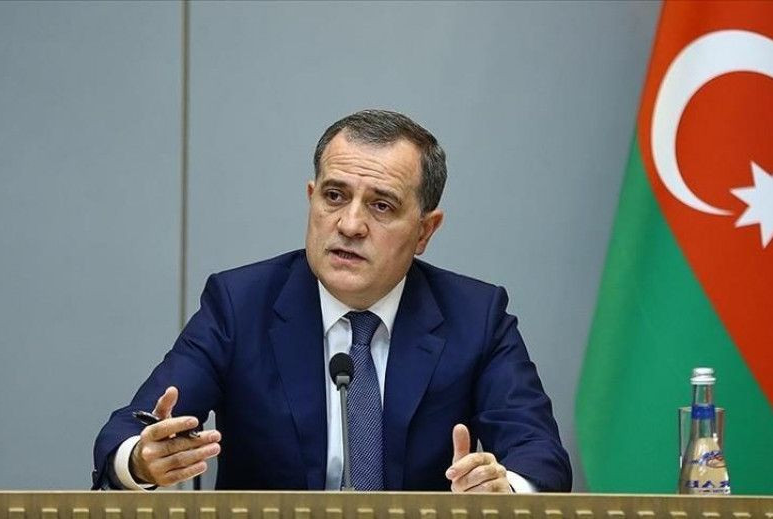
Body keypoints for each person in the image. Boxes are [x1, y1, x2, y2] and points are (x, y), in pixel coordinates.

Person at [92, 109, 572, 492]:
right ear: (312, 198)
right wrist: (141, 459)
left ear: (425, 230)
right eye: (335, 196)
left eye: (381, 205)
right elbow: (128, 431)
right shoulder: (240, 305)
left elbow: (539, 456)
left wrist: (503, 492)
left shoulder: (476, 316)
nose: (350, 224)